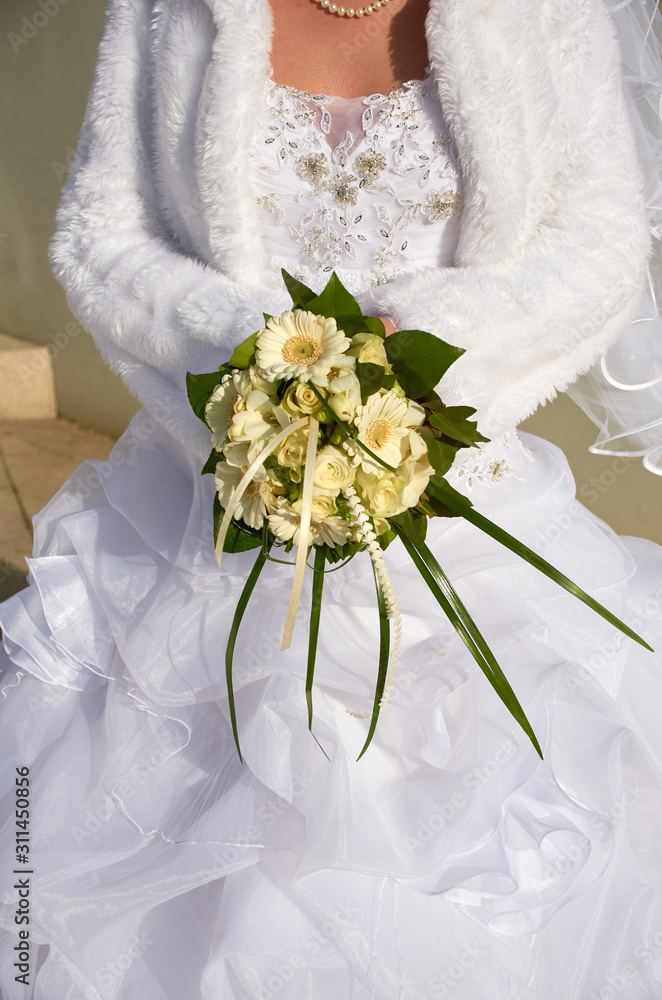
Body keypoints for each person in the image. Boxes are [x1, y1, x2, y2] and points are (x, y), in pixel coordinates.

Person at [1, 0, 662, 997]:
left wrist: (426, 363)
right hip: (204, 511)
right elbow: (101, 235)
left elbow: (601, 242)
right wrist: (246, 370)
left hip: (456, 510)